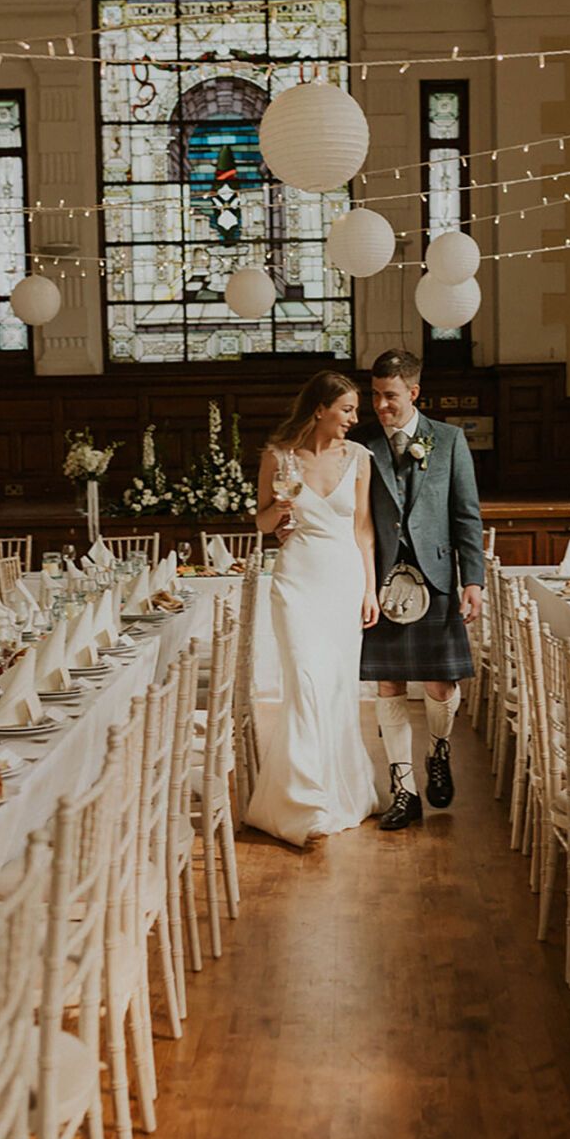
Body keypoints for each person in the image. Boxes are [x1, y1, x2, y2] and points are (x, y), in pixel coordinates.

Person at [244, 370, 387, 846]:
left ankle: (339, 792)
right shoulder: (277, 456)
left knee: (337, 688)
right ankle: (304, 806)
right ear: (319, 409)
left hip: (344, 581)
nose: (354, 418)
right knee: (304, 682)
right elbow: (262, 522)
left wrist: (370, 589)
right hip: (296, 581)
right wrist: (282, 511)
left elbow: (363, 530)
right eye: (346, 409)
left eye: (355, 410)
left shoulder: (361, 459)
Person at [355, 349, 485, 830]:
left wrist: (473, 580)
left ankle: (439, 750)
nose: (380, 406)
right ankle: (404, 790)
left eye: (390, 396)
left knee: (439, 684)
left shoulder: (448, 440)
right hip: (383, 582)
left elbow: (466, 514)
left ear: (413, 393)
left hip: (436, 579)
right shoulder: (361, 441)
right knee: (387, 684)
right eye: (375, 396)